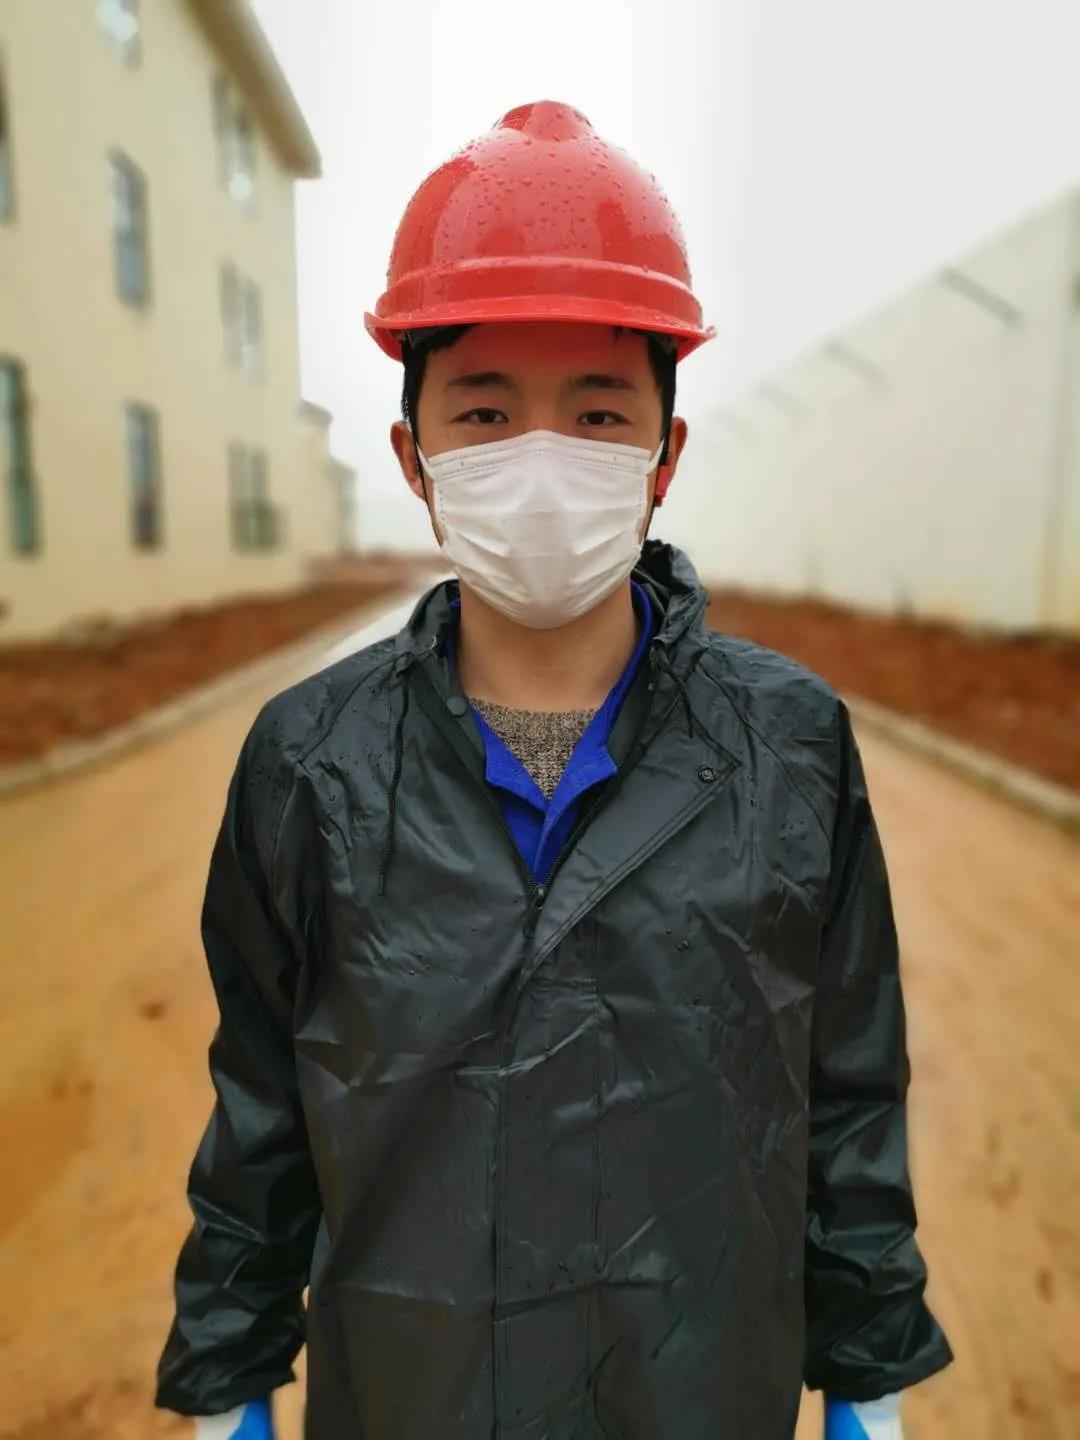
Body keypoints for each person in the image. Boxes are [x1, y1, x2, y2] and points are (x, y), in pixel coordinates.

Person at [155, 101, 953, 1440]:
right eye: (484, 410)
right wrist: (229, 1377)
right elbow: (263, 1108)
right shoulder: (309, 763)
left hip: (701, 1398)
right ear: (414, 458)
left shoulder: (791, 747)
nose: (540, 462)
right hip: (407, 1401)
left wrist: (866, 1373)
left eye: (596, 413)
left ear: (663, 457)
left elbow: (847, 1087)